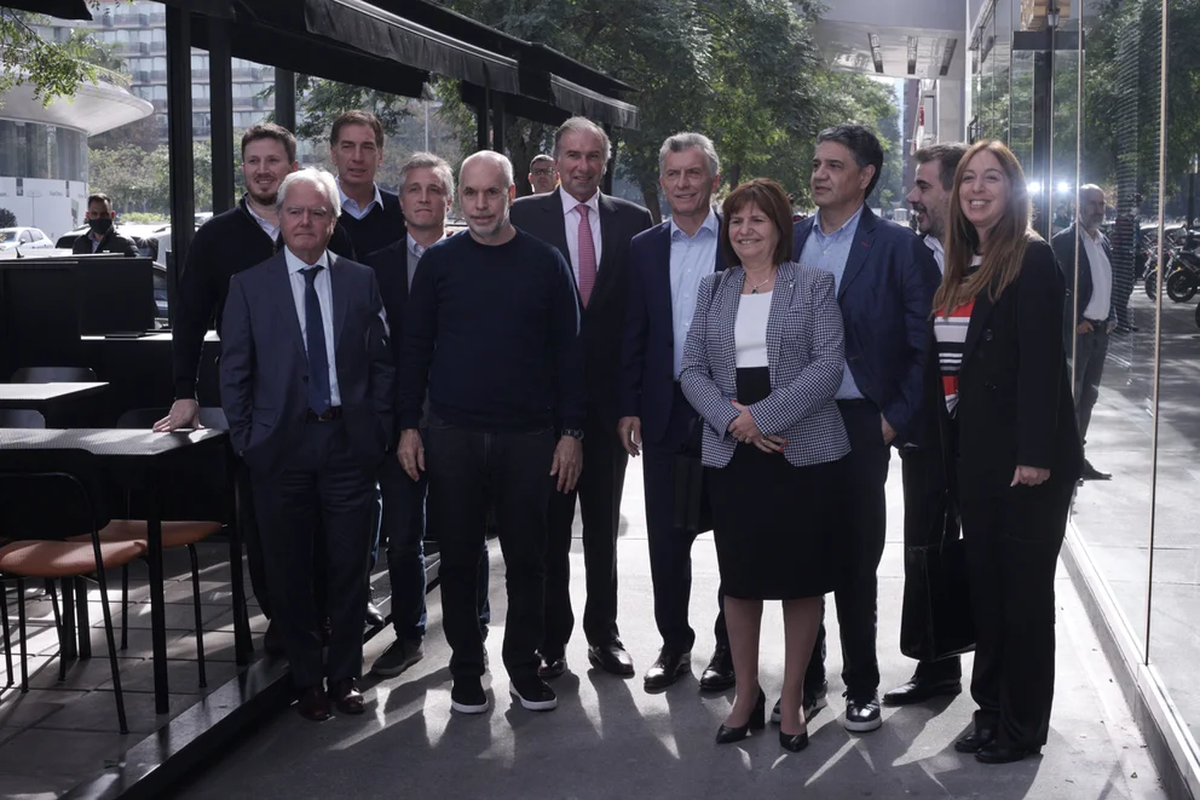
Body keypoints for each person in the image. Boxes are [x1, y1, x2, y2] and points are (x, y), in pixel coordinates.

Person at [154, 124, 356, 650]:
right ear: (242, 167)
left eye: (273, 160)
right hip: (259, 412)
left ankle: (324, 618)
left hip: (325, 413)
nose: (262, 169)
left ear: (291, 166)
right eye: (252, 161)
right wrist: (185, 390)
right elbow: (190, 319)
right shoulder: (217, 237)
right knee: (266, 530)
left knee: (327, 527)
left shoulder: (324, 226)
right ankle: (287, 622)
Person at [398, 150, 586, 715]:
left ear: (511, 195)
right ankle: (464, 670)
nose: (481, 205)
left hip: (529, 437)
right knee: (458, 558)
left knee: (529, 560)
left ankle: (524, 670)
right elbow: (414, 352)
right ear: (461, 198)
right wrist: (409, 425)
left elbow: (569, 357)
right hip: (451, 435)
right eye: (472, 194)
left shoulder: (546, 262)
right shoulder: (439, 264)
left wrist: (571, 432)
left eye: (492, 193)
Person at [680, 177, 850, 752]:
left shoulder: (814, 284)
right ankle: (747, 694)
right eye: (736, 220)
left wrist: (768, 417)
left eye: (757, 219)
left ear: (781, 227)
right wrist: (736, 423)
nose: (745, 229)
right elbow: (692, 370)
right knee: (742, 580)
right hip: (735, 455)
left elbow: (828, 366)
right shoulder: (712, 289)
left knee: (802, 581)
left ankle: (795, 697)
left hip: (801, 453)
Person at [219, 168, 394, 721]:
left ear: (332, 221)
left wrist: (379, 428)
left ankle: (344, 675)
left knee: (348, 568)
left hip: (348, 446)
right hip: (280, 451)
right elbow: (234, 373)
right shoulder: (249, 285)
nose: (305, 221)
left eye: (318, 212)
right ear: (279, 217)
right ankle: (306, 677)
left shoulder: (360, 281)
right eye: (294, 211)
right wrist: (250, 441)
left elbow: (382, 361)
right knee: (289, 571)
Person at [933, 140, 1082, 764]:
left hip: (1026, 466)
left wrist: (1034, 454)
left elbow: (1044, 367)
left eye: (992, 178)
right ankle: (989, 711)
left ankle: (1022, 728)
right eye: (968, 178)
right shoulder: (965, 261)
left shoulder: (1034, 256)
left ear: (1014, 190)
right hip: (976, 458)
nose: (977, 188)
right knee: (988, 597)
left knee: (1023, 602)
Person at [791, 125, 940, 733]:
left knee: (855, 557)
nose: (820, 174)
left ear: (865, 175)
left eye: (833, 165)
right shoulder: (792, 236)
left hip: (860, 423)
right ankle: (806, 680)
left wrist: (891, 419)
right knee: (801, 553)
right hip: (792, 418)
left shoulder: (899, 248)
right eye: (817, 162)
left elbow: (924, 346)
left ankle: (861, 686)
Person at [510, 116, 653, 679]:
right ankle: (552, 639)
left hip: (608, 410)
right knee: (548, 528)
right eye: (572, 155)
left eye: (593, 156)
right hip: (541, 410)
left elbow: (638, 320)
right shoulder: (522, 217)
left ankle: (605, 635)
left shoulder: (633, 221)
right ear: (556, 158)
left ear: (605, 161)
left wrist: (630, 403)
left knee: (601, 526)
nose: (582, 166)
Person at [361, 153, 489, 677]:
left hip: (464, 420)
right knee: (403, 533)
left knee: (467, 533)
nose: (422, 198)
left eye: (434, 189)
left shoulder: (476, 258)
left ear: (448, 199)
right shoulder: (374, 266)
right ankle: (409, 633)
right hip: (400, 422)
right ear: (402, 200)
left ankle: (473, 634)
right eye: (413, 189)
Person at [618, 132, 733, 693]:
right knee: (667, 540)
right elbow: (632, 332)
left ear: (714, 180)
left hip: (733, 415)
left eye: (694, 174)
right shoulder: (643, 247)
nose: (683, 184)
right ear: (661, 182)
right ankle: (674, 645)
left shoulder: (739, 240)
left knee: (736, 535)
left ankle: (729, 650)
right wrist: (628, 407)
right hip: (664, 415)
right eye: (674, 174)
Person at [884, 142, 969, 707]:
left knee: (980, 551)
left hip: (983, 436)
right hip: (924, 433)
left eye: (923, 187)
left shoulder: (1000, 257)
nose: (912, 197)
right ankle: (935, 666)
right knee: (925, 545)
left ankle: (997, 673)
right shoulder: (912, 254)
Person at [1051, 184, 1114, 482]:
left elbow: (1107, 283)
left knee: (1089, 397)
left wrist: (1112, 315)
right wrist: (1073, 321)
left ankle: (1079, 458)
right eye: (1093, 204)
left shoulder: (1104, 243)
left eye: (1102, 204)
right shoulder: (1063, 243)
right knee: (1071, 398)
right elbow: (1055, 290)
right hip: (1078, 334)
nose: (1099, 210)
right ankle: (1065, 459)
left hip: (1101, 334)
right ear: (1078, 206)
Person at [330, 110, 404, 256]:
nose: (358, 157)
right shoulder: (316, 210)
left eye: (367, 147)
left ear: (380, 156)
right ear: (333, 155)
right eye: (348, 146)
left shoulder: (402, 213)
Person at [72, 193, 139, 256]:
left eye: (103, 214)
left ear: (112, 215)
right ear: (88, 215)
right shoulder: (80, 243)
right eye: (94, 214)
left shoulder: (124, 243)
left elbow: (135, 267)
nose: (98, 217)